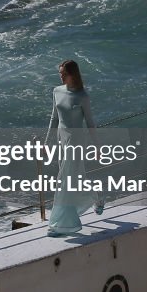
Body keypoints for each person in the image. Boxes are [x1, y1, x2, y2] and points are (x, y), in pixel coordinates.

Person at [46, 59, 102, 236]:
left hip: (76, 141)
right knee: (75, 178)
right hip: (62, 139)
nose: (60, 76)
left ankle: (59, 224)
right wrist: (46, 142)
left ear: (72, 75)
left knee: (64, 180)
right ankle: (97, 198)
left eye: (64, 73)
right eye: (60, 73)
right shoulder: (56, 91)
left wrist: (97, 146)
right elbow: (54, 119)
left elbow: (90, 123)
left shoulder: (82, 96)